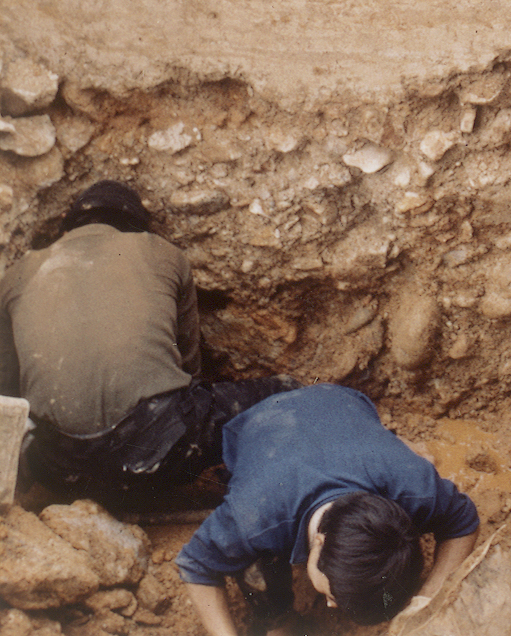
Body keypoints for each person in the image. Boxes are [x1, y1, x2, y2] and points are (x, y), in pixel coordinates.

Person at [0, 180, 297, 506]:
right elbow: (189, 367)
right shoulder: (163, 253)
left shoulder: (16, 274)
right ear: (136, 226)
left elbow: (9, 396)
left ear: (68, 225)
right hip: (161, 455)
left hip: (59, 468)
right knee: (285, 395)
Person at [176, 383, 480, 634]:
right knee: (257, 570)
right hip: (266, 420)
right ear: (318, 544)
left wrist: (426, 601)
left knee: (415, 467)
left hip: (337, 401)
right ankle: (280, 621)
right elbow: (196, 565)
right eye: (334, 596)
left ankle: (377, 441)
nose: (332, 606)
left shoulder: (412, 486)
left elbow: (464, 521)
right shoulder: (257, 516)